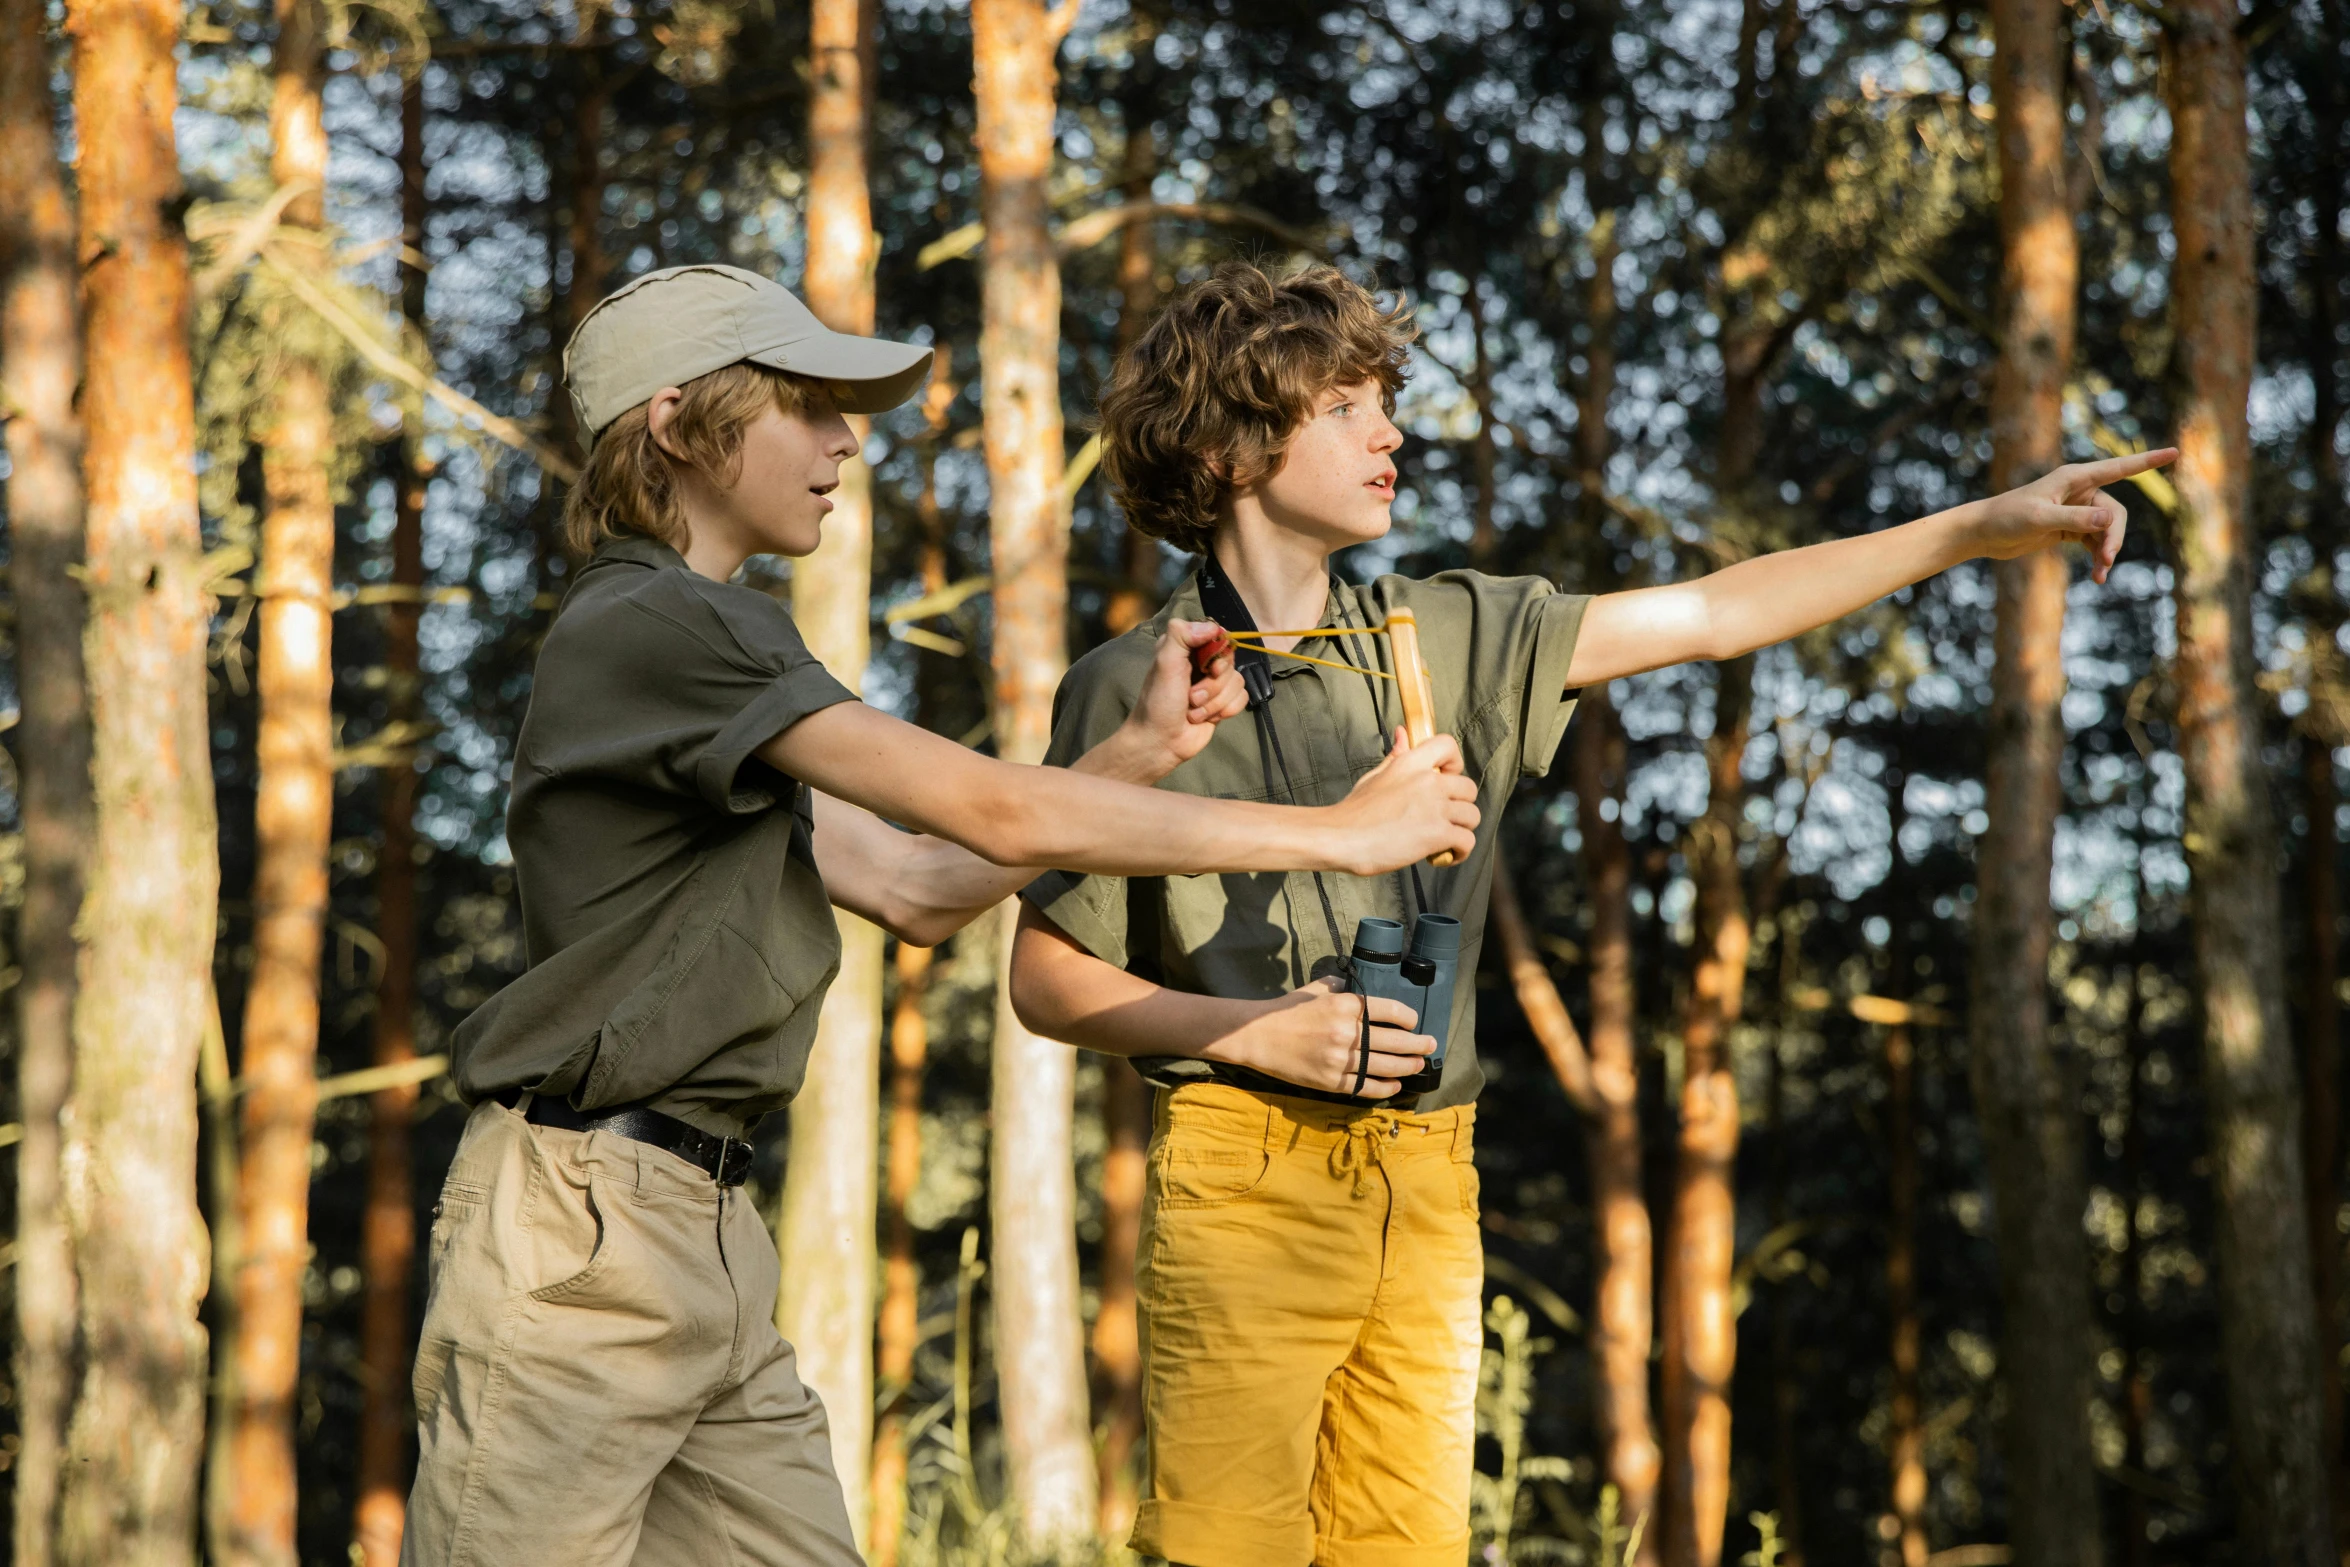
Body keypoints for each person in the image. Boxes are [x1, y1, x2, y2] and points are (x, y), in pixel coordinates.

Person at [1007, 261, 2175, 1567]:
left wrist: (1974, 527)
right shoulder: (1133, 682)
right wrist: (1248, 1033)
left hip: (1427, 1173)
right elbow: (1046, 982)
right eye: (1344, 406)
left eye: (1384, 401)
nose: (1390, 431)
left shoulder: (1450, 630)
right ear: (1227, 447)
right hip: (1238, 1170)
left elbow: (1716, 612)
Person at [399, 263, 1481, 1567]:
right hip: (579, 1232)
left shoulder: (706, 660)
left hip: (701, 1227)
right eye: (802, 405)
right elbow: (993, 817)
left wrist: (1127, 758)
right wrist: (1341, 833)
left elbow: (917, 888)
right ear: (679, 424)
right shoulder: (657, 622)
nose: (844, 440)